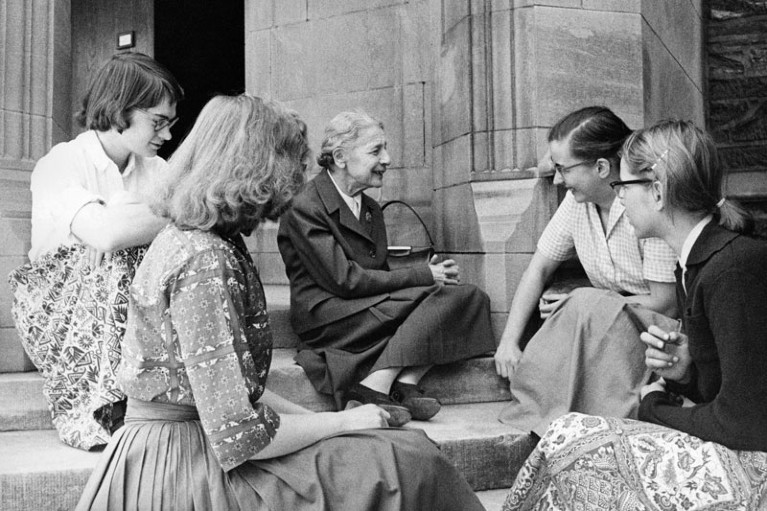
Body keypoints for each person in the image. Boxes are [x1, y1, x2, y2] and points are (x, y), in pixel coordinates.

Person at [76, 94, 484, 511]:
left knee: (398, 447)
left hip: (191, 446)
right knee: (407, 463)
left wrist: (336, 424)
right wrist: (344, 420)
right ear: (257, 169)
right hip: (186, 471)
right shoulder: (202, 261)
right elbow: (240, 436)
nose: (295, 183)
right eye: (290, 167)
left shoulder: (205, 241)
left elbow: (235, 390)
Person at [502, 120, 767, 510]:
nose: (620, 198)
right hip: (740, 454)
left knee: (569, 437)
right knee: (570, 440)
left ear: (658, 192)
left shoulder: (732, 269)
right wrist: (686, 374)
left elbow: (745, 423)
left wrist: (654, 408)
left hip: (755, 470)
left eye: (624, 186)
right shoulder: (694, 264)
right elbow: (732, 391)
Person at [8, 52, 183, 449]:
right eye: (158, 122)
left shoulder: (155, 169)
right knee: (120, 256)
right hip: (54, 305)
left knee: (140, 256)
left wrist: (127, 226)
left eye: (170, 124)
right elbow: (107, 235)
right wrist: (132, 226)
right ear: (121, 109)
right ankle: (101, 409)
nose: (167, 135)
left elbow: (196, 217)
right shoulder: (61, 162)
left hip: (122, 298)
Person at [277, 110, 495, 426]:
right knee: (432, 295)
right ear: (340, 157)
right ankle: (376, 385)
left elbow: (378, 271)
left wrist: (425, 276)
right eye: (376, 150)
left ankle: (401, 382)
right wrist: (422, 277)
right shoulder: (305, 205)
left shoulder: (370, 208)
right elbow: (345, 279)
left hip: (367, 306)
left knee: (469, 297)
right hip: (330, 315)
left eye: (386, 148)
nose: (388, 159)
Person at [494, 106, 678, 435]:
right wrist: (508, 341)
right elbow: (538, 269)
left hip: (656, 334)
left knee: (579, 304)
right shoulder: (577, 203)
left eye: (564, 168)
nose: (557, 179)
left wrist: (592, 303)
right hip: (604, 326)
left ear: (602, 167)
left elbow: (667, 302)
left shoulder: (646, 203)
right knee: (572, 312)